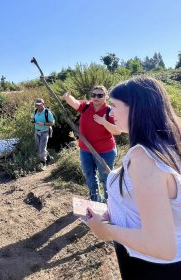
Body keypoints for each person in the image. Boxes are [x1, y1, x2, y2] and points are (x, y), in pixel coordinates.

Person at [86, 76, 181, 279]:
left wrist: (107, 230)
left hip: (152, 267)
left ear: (136, 109)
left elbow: (161, 246)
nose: (110, 111)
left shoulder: (144, 158)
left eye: (114, 105)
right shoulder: (167, 145)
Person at [63, 86, 121, 201]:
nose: (96, 97)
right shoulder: (86, 106)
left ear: (106, 97)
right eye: (94, 95)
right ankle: (95, 199)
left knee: (105, 177)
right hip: (86, 149)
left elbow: (117, 131)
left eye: (100, 95)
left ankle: (109, 202)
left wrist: (104, 122)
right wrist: (67, 97)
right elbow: (74, 103)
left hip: (105, 151)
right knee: (89, 175)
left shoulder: (110, 111)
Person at [32, 98, 55, 171]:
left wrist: (44, 123)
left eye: (39, 105)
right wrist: (33, 121)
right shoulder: (35, 111)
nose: (37, 106)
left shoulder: (47, 112)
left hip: (45, 131)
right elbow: (33, 119)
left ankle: (43, 163)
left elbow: (52, 123)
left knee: (41, 149)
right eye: (36, 105)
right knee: (38, 147)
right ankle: (48, 158)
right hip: (37, 132)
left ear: (43, 104)